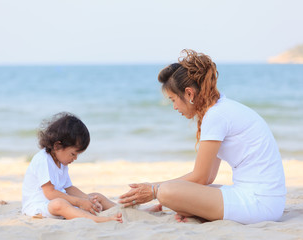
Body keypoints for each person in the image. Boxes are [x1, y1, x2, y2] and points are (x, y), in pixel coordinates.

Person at [119, 49, 286, 224]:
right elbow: (207, 178)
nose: (174, 107)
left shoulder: (216, 116)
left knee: (167, 192)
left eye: (173, 100)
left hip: (260, 203)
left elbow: (200, 177)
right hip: (263, 199)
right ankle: (195, 212)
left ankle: (192, 210)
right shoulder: (221, 109)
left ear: (189, 93)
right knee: (172, 192)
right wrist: (155, 188)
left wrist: (153, 190)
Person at [22, 112, 122, 223]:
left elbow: (68, 188)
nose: (75, 158)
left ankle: (122, 210)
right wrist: (79, 202)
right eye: (73, 154)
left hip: (59, 202)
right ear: (57, 146)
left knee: (96, 196)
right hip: (40, 206)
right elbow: (50, 193)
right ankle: (97, 220)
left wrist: (87, 199)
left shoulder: (61, 162)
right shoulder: (43, 160)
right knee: (59, 203)